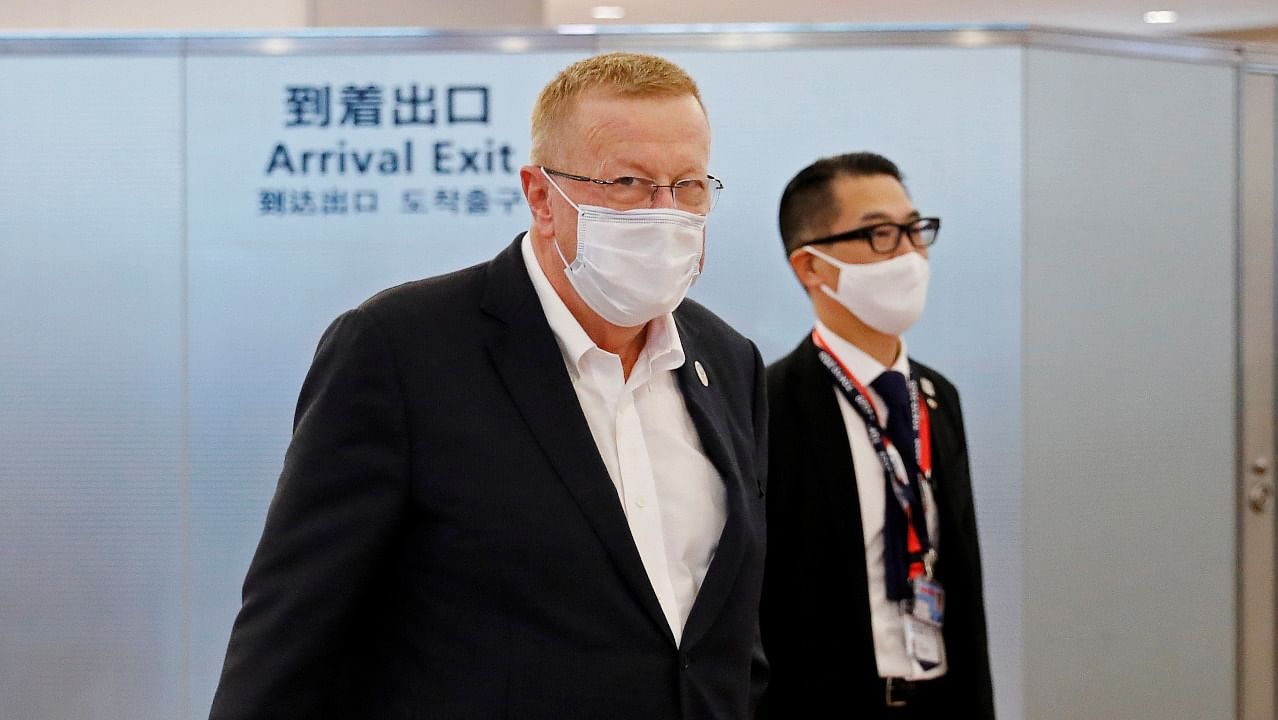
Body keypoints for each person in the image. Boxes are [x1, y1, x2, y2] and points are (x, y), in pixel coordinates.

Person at [209, 52, 768, 720]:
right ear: (540, 196)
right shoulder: (400, 349)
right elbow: (290, 635)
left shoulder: (728, 362)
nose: (666, 213)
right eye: (628, 182)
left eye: (690, 186)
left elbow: (724, 637)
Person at [758, 152, 993, 718]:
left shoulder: (936, 397)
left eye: (916, 230)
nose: (910, 253)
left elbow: (963, 577)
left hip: (937, 698)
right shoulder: (767, 404)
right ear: (810, 267)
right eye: (882, 234)